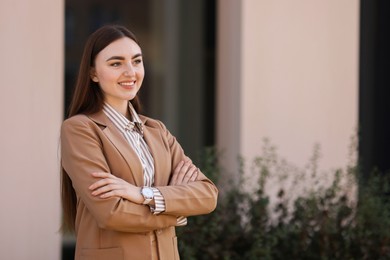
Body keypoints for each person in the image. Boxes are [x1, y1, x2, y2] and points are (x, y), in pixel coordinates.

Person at [60, 24, 218, 260]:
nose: (130, 72)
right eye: (116, 63)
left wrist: (141, 194)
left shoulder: (157, 130)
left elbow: (207, 194)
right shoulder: (80, 129)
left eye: (136, 61)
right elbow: (111, 213)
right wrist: (175, 210)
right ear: (93, 73)